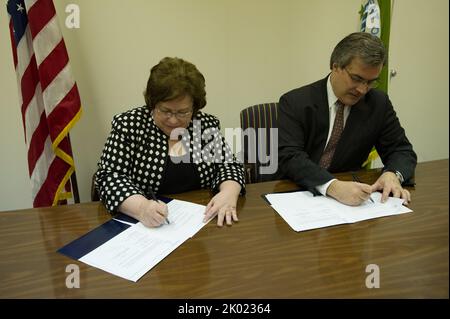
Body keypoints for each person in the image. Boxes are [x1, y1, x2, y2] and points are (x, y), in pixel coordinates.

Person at [95, 57, 245, 227]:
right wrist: (141, 207)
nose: (173, 120)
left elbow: (230, 165)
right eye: (165, 111)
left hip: (200, 224)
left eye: (182, 112)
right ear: (152, 104)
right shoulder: (130, 125)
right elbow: (108, 177)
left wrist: (229, 192)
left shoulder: (204, 125)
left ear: (194, 108)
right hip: (144, 228)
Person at [277, 32, 417, 206]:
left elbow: (401, 150)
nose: (363, 90)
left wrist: (392, 174)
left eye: (371, 82)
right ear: (335, 66)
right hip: (298, 195)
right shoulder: (294, 102)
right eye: (357, 79)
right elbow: (290, 157)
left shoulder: (378, 103)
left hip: (351, 204)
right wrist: (332, 186)